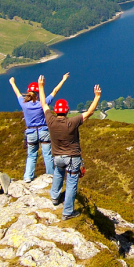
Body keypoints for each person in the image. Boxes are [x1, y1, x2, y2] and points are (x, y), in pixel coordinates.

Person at [45, 83, 101, 219]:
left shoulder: (50, 120)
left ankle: (54, 197)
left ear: (55, 110)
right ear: (67, 110)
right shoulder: (72, 122)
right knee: (71, 183)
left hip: (57, 157)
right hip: (72, 158)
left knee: (58, 174)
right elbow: (89, 113)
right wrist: (97, 96)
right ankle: (68, 212)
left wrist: (41, 87)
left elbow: (44, 104)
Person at [9, 72, 70, 182]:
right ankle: (50, 176)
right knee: (47, 155)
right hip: (43, 131)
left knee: (31, 155)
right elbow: (55, 91)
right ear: (37, 94)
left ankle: (28, 177)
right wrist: (63, 79)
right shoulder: (43, 103)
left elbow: (17, 93)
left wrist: (12, 82)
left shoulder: (23, 104)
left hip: (30, 133)